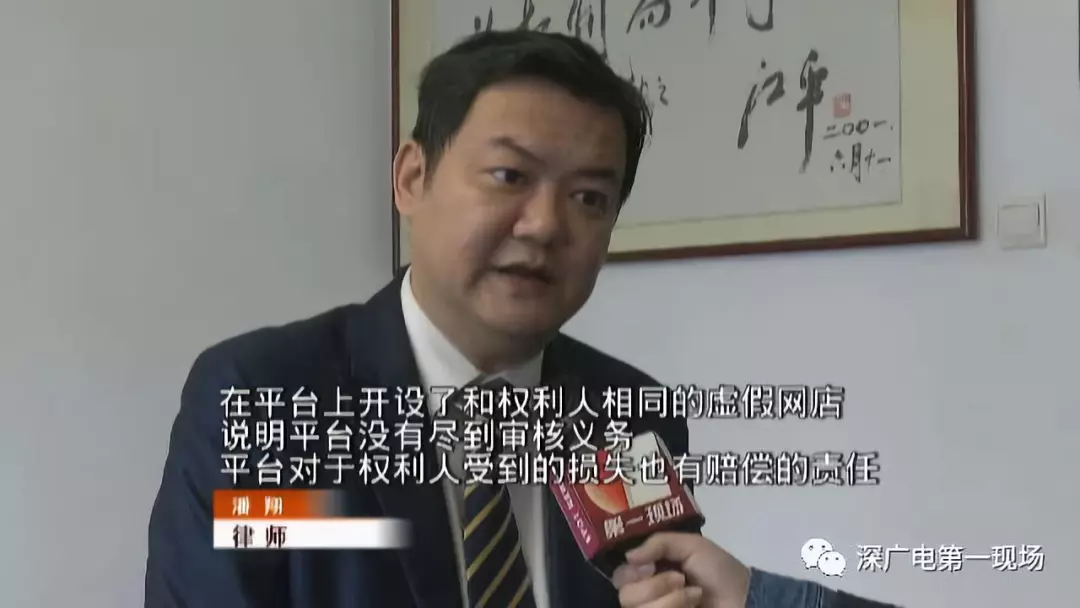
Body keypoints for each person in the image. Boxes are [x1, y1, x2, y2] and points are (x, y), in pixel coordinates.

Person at [144, 29, 899, 608]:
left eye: (589, 198)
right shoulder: (265, 395)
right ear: (412, 178)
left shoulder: (625, 414)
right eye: (509, 175)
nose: (545, 226)